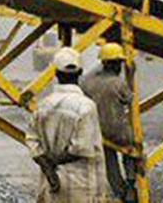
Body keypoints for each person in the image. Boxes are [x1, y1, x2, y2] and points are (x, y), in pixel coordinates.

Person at [26, 47, 108, 203]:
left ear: (56, 74)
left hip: (52, 186)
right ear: (80, 73)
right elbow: (80, 147)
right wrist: (54, 161)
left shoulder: (43, 106)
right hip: (81, 187)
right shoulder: (86, 106)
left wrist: (48, 168)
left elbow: (32, 141)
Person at [82, 43, 137, 203]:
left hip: (98, 132)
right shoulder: (118, 83)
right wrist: (131, 75)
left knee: (109, 160)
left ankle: (119, 191)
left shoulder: (88, 81)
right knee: (131, 150)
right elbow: (129, 99)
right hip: (119, 132)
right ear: (115, 64)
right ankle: (131, 184)